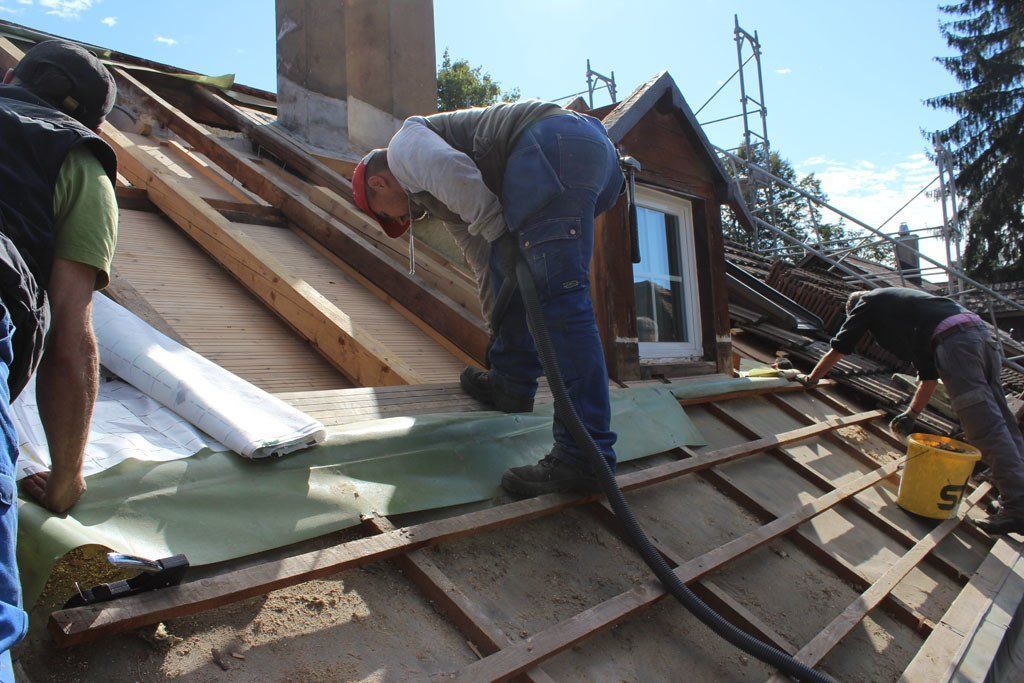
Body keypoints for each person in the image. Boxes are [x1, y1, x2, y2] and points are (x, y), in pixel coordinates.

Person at [351, 100, 624, 497]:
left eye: (387, 215)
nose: (401, 221)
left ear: (378, 185)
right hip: (589, 155)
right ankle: (511, 382)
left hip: (549, 147)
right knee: (513, 269)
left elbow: (458, 176)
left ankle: (585, 456)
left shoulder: (404, 146)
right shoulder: (438, 198)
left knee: (559, 302)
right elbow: (486, 263)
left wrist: (500, 235)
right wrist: (496, 330)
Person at [0, 40, 119, 672]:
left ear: (12, 75)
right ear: (91, 126)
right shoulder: (77, 162)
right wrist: (68, 479)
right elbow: (70, 342)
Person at [800, 287, 1024, 534]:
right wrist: (911, 414)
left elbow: (840, 347)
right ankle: (1016, 497)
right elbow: (928, 379)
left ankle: (1017, 507)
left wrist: (811, 378)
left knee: (983, 427)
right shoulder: (916, 316)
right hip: (981, 337)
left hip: (958, 342)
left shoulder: (867, 301)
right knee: (1004, 423)